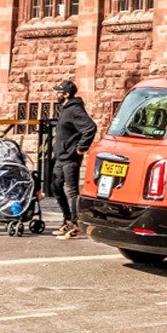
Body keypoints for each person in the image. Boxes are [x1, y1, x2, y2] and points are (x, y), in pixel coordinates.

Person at [51, 80, 97, 240]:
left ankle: (76, 224)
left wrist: (81, 147)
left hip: (70, 157)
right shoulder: (65, 109)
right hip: (60, 156)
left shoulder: (74, 109)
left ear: (66, 94)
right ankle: (67, 219)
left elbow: (90, 127)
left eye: (58, 92)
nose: (56, 94)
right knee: (55, 187)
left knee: (71, 191)